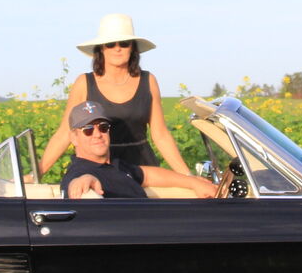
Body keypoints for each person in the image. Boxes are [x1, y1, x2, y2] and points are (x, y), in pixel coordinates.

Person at [36, 12, 193, 180]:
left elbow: (160, 134)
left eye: (124, 44)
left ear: (132, 48)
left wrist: (188, 176)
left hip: (142, 169)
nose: (117, 48)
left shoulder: (148, 80)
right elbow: (65, 133)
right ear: (101, 49)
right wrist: (37, 173)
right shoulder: (84, 83)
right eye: (111, 44)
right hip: (97, 170)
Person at [60, 101, 217, 199]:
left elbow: (147, 175)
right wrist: (85, 180)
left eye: (103, 127)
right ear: (74, 138)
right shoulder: (79, 171)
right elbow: (73, 185)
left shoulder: (116, 166)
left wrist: (192, 182)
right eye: (88, 130)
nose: (97, 134)